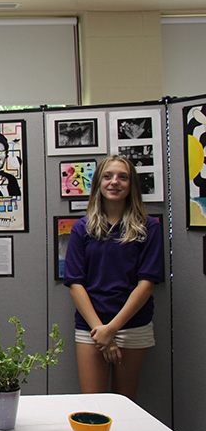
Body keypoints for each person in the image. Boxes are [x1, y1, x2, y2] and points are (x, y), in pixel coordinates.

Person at [64, 155, 162, 400]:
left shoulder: (148, 227)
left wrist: (113, 329)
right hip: (91, 328)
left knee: (125, 404)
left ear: (131, 185)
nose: (114, 182)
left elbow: (146, 284)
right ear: (98, 183)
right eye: (108, 176)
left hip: (132, 326)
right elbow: (75, 284)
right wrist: (101, 330)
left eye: (123, 177)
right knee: (93, 405)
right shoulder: (82, 228)